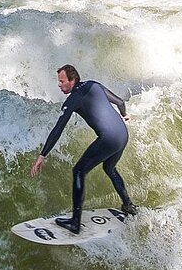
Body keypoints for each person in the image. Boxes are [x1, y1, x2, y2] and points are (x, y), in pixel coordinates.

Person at [29, 64, 137, 235]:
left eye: (62, 81)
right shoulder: (94, 84)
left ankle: (75, 223)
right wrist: (124, 115)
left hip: (108, 139)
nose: (59, 85)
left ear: (72, 81)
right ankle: (128, 205)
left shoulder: (73, 99)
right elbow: (120, 102)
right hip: (123, 134)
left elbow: (58, 128)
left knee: (79, 171)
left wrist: (42, 155)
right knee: (109, 168)